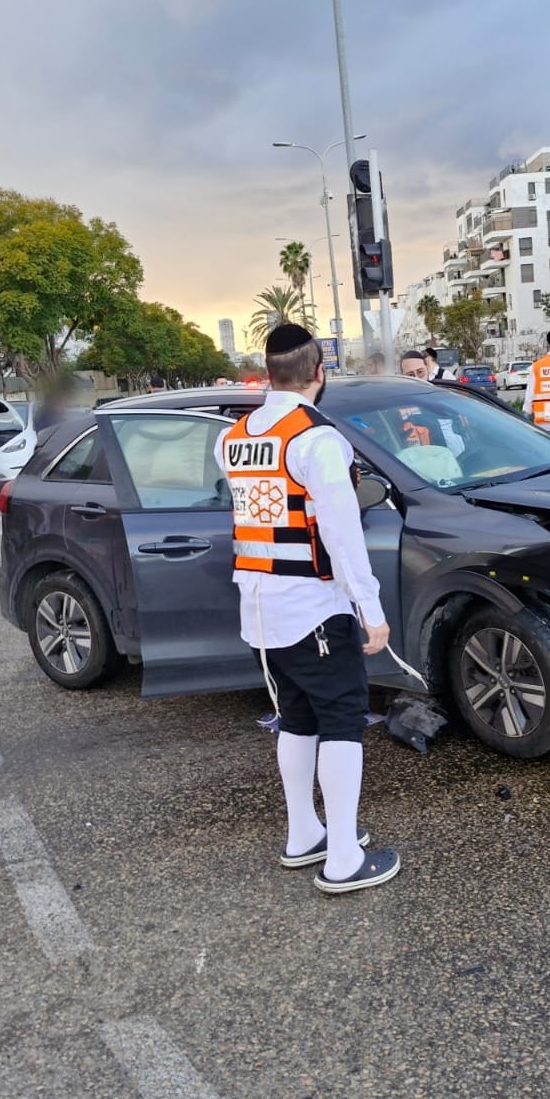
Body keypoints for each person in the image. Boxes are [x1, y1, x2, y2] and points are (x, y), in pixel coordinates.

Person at [215, 324, 400, 894]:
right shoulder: (317, 440)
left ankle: (305, 835)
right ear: (320, 373)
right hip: (315, 607)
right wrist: (371, 610)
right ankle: (343, 857)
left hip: (260, 608)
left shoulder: (234, 438)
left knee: (296, 718)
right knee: (342, 721)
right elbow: (343, 537)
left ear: (270, 373)